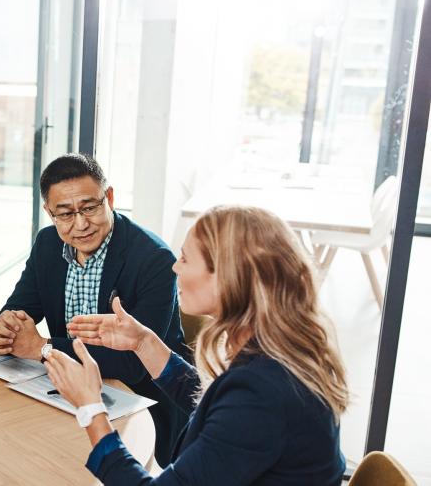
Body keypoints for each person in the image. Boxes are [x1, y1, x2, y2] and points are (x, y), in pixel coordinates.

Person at [47, 205, 349, 485]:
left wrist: (91, 409)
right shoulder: (276, 351)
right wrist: (143, 343)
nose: (175, 268)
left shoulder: (263, 393)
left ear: (228, 277)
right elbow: (218, 409)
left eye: (186, 258)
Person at [0, 154, 189, 466]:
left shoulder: (154, 259)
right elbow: (21, 307)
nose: (80, 224)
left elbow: (135, 363)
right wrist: (7, 327)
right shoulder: (47, 244)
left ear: (109, 197)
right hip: (66, 395)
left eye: (89, 208)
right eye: (65, 214)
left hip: (141, 402)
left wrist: (42, 348)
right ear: (49, 212)